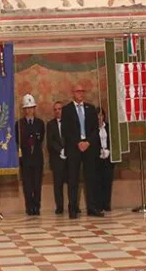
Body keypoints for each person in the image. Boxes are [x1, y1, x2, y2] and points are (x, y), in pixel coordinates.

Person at [61, 84, 104, 219]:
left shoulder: (90, 108)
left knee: (90, 177)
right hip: (74, 148)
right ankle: (73, 208)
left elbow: (94, 129)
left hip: (88, 147)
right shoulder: (67, 109)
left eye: (82, 91)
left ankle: (92, 207)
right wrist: (77, 142)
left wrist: (88, 142)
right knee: (73, 179)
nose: (80, 93)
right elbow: (66, 130)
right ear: (73, 93)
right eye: (78, 91)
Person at [17, 94, 45, 216]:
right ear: (24, 110)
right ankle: (29, 207)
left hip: (37, 158)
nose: (29, 110)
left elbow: (40, 139)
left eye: (31, 108)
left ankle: (37, 206)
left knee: (37, 184)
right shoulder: (19, 124)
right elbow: (19, 140)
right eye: (27, 108)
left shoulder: (40, 123)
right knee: (27, 184)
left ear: (34, 109)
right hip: (25, 159)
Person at [46, 101, 68, 214]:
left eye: (59, 109)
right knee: (58, 184)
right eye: (55, 109)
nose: (57, 111)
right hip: (57, 158)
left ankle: (73, 205)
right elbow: (50, 141)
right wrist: (60, 150)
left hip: (69, 158)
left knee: (72, 183)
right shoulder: (50, 124)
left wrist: (67, 150)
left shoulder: (69, 122)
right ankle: (59, 206)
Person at [96, 107, 114, 212]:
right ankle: (99, 204)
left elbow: (113, 140)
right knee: (98, 182)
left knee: (107, 182)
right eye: (98, 115)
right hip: (98, 158)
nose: (100, 117)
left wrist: (109, 151)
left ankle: (106, 203)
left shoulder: (108, 127)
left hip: (108, 158)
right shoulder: (93, 128)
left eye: (101, 115)